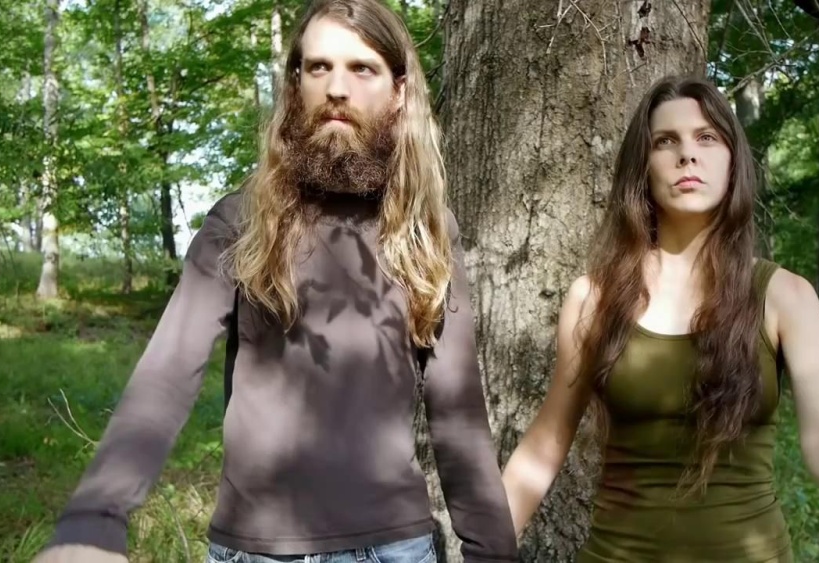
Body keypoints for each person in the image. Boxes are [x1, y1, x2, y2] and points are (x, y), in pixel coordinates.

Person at [32, 1, 519, 562]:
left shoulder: (425, 233)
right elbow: (167, 372)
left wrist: (494, 553)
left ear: (399, 90)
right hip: (256, 551)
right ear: (295, 84)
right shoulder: (242, 221)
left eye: (362, 68)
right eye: (318, 67)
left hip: (394, 549)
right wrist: (93, 521)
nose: (337, 88)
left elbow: (458, 418)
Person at [500, 75, 819, 562]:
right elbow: (545, 445)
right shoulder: (594, 299)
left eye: (706, 137)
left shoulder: (784, 297)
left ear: (733, 161)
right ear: (642, 166)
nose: (687, 155)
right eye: (665, 141)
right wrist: (482, 551)